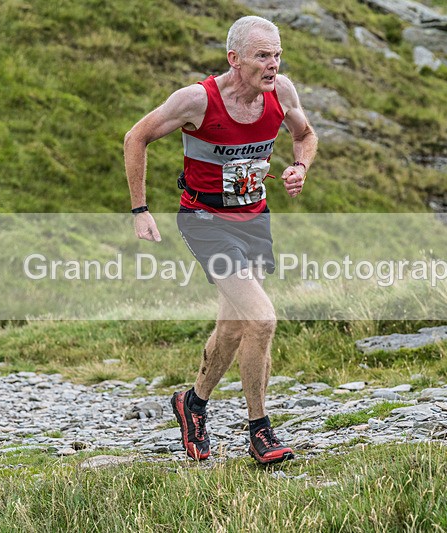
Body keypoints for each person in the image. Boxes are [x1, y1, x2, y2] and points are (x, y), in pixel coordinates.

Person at [123, 15, 317, 465]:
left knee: (234, 324)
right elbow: (137, 137)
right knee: (263, 319)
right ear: (235, 59)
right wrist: (140, 210)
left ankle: (192, 403)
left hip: (253, 219)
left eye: (277, 54)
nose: (273, 65)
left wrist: (300, 167)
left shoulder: (281, 92)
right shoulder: (196, 100)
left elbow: (305, 136)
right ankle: (260, 431)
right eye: (262, 56)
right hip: (205, 219)